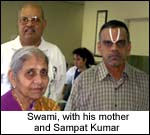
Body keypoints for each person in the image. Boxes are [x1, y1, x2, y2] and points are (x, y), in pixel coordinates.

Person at [65, 20, 149, 111]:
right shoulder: (82, 82)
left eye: (120, 43)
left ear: (128, 47)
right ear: (99, 47)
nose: (114, 48)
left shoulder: (144, 83)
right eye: (108, 43)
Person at [1, 3, 66, 102]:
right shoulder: (3, 51)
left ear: (44, 24)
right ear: (18, 23)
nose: (29, 24)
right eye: (24, 19)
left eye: (35, 20)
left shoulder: (55, 53)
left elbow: (58, 88)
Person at [1, 47, 60, 111]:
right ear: (12, 77)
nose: (39, 81)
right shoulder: (3, 106)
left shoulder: (50, 107)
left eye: (43, 72)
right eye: (30, 73)